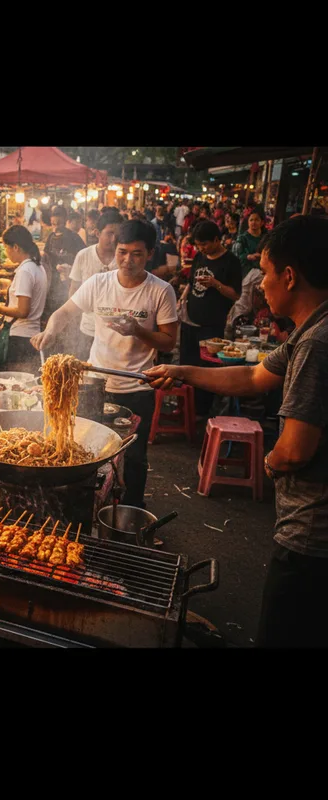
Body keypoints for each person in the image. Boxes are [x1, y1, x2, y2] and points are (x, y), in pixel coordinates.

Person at [147, 216, 328, 647]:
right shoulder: (312, 329)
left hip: (312, 535)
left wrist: (269, 462)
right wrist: (181, 371)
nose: (261, 285)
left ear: (289, 275)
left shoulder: (317, 344)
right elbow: (250, 379)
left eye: (265, 273)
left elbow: (295, 450)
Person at [31, 219, 179, 508]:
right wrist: (50, 331)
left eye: (136, 254)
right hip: (94, 383)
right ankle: (88, 507)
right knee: (87, 449)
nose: (127, 260)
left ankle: (130, 512)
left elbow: (168, 342)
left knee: (134, 458)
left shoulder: (161, 291)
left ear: (149, 253)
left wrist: (137, 330)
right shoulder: (99, 282)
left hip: (136, 387)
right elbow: (64, 313)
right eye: (122, 252)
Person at [178, 220, 242, 416]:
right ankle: (184, 409)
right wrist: (182, 298)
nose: (201, 249)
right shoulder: (199, 257)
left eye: (204, 244)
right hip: (190, 320)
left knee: (205, 369)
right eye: (198, 245)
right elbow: (190, 282)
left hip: (211, 325)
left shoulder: (231, 262)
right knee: (185, 365)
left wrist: (215, 284)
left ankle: (202, 411)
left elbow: (235, 295)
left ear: (217, 239)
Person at [0, 224, 48, 373]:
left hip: (20, 339)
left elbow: (23, 310)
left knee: (15, 382)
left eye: (6, 248)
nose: (6, 252)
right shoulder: (37, 266)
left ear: (16, 247)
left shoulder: (25, 271)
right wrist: (7, 294)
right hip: (31, 335)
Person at [67, 210, 121, 360]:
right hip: (88, 330)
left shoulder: (124, 260)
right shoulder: (83, 255)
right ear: (97, 233)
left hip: (116, 334)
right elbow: (73, 291)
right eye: (109, 233)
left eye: (118, 234)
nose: (114, 239)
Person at [42, 205, 86, 318]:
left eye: (59, 224)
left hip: (69, 282)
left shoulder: (74, 237)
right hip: (52, 281)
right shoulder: (51, 237)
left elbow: (84, 257)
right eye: (53, 224)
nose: (56, 227)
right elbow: (46, 256)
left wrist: (70, 267)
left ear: (65, 221)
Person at [234, 209, 265, 277]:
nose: (253, 222)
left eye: (256, 220)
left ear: (262, 222)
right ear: (248, 222)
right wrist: (248, 256)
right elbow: (236, 255)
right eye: (251, 220)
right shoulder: (242, 238)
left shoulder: (265, 238)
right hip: (246, 272)